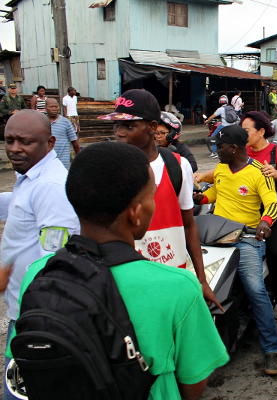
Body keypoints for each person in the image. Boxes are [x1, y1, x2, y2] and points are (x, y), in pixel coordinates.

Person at [6, 141, 229, 399]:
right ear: (135, 213)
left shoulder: (38, 274)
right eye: (150, 196)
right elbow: (193, 384)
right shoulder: (179, 287)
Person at [99, 89, 221, 309]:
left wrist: (201, 280)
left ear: (153, 128)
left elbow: (188, 224)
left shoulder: (177, 165)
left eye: (129, 126)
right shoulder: (108, 169)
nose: (119, 133)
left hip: (171, 274)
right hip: (127, 280)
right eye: (116, 125)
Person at [0, 110, 80, 399]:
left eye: (25, 142)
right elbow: (18, 205)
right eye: (9, 140)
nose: (14, 149)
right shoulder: (31, 177)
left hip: (36, 317)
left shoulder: (50, 186)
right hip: (23, 311)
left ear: (49, 143)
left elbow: (56, 259)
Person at [194, 124, 277, 375]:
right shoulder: (222, 168)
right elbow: (216, 192)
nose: (216, 151)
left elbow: (272, 205)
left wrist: (265, 224)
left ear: (233, 148)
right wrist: (199, 198)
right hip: (212, 233)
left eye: (219, 146)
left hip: (245, 238)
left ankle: (272, 349)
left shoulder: (259, 172)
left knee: (255, 289)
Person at [196, 112, 277, 326]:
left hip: (268, 214)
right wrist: (197, 179)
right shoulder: (239, 150)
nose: (243, 133)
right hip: (234, 219)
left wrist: (276, 173)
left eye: (247, 129)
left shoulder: (275, 151)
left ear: (261, 132)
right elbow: (219, 176)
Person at [46, 98, 80, 169]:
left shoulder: (66, 122)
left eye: (56, 106)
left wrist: (79, 158)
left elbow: (74, 142)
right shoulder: (42, 122)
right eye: (51, 106)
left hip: (63, 163)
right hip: (46, 163)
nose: (54, 109)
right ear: (46, 107)